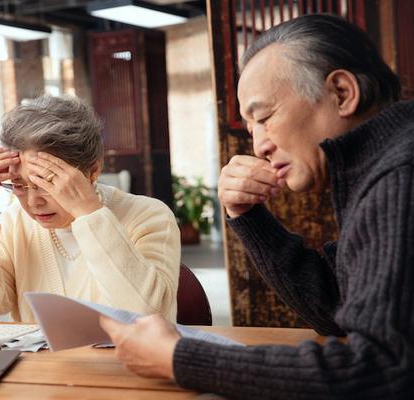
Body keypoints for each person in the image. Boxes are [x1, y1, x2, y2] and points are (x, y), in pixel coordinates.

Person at [100, 14, 413, 398]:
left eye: (264, 117)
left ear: (343, 93)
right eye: (251, 129)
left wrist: (178, 358)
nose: (259, 145)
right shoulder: (379, 165)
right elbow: (333, 309)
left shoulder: (400, 174)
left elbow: (380, 372)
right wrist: (247, 216)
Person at [0, 95, 181, 322]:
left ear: (93, 171)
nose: (34, 202)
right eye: (19, 185)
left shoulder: (149, 216)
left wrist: (90, 213)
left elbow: (146, 316)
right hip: (39, 366)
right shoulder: (15, 221)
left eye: (48, 182)